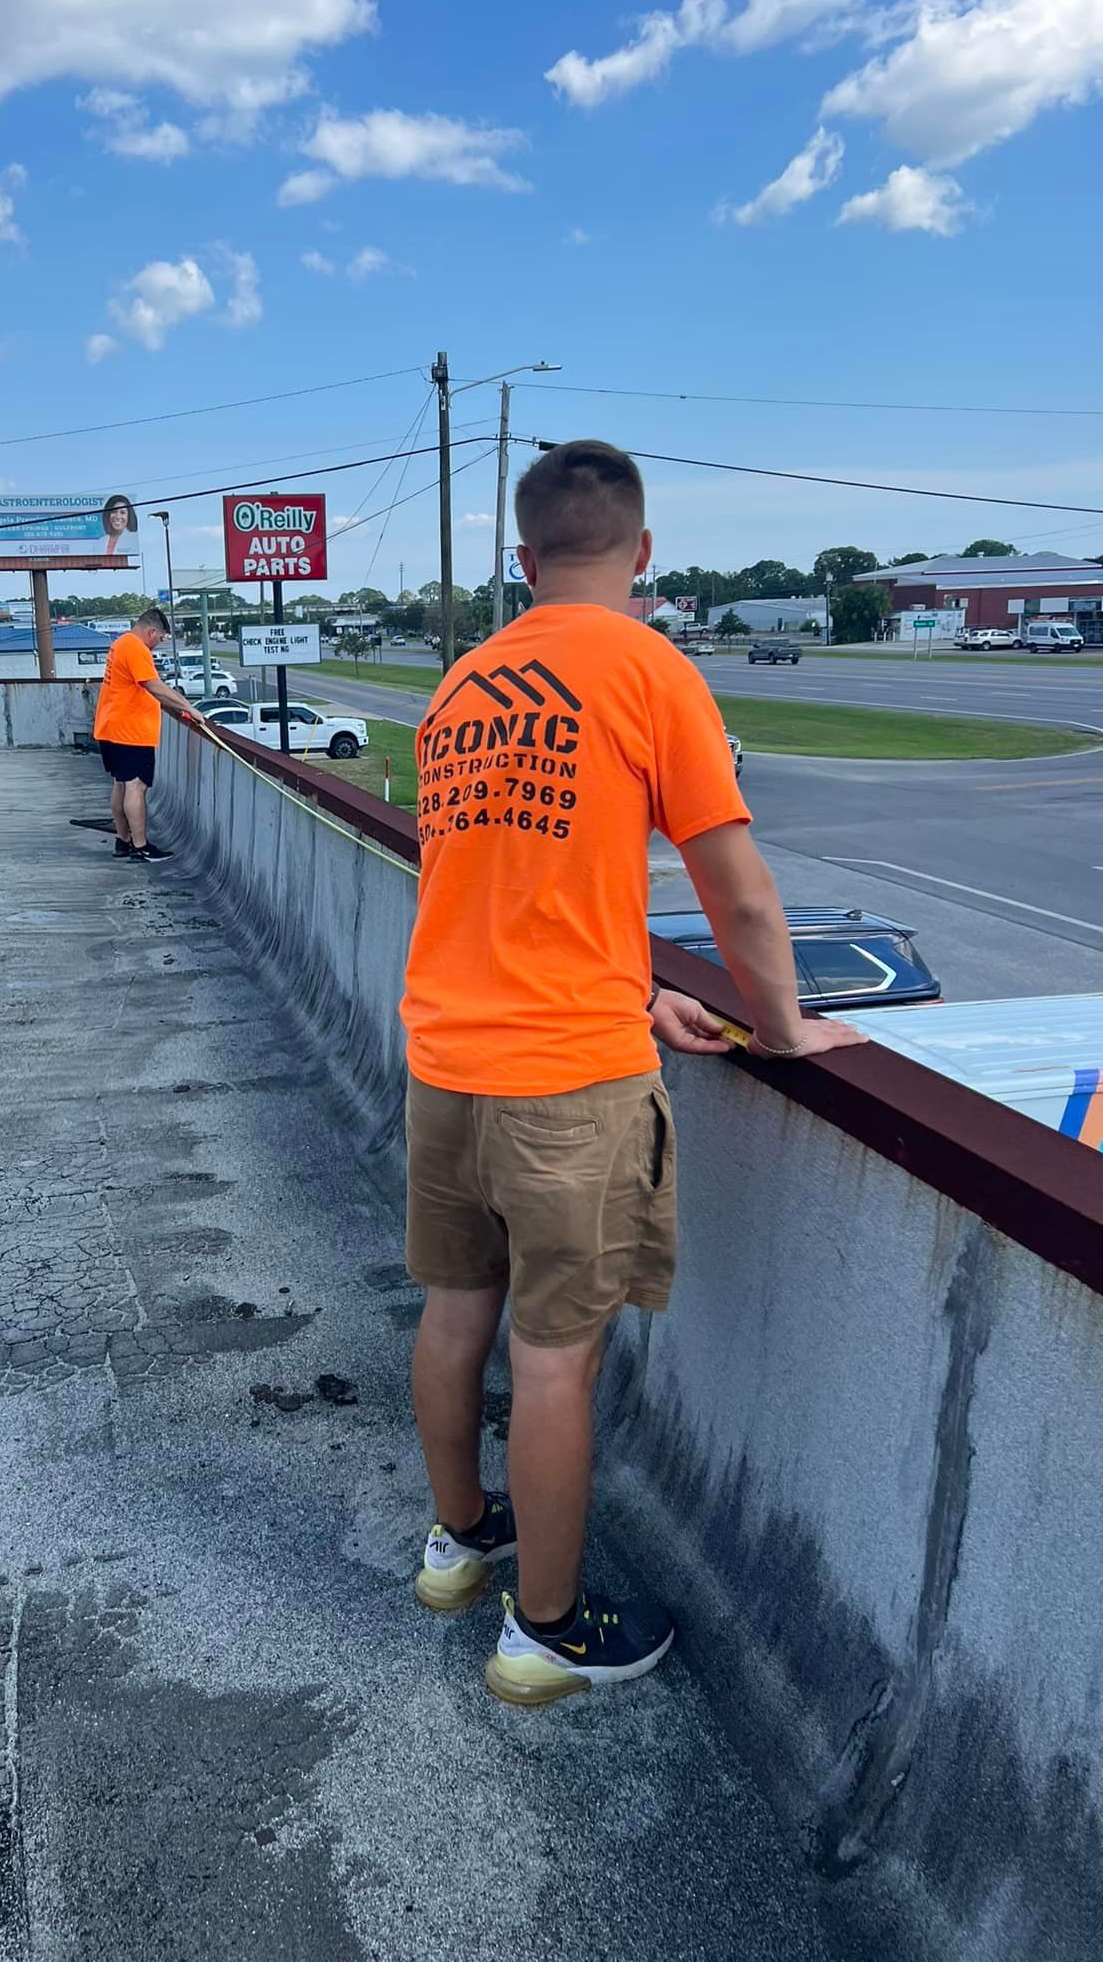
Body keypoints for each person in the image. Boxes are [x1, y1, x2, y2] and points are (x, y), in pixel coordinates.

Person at [400, 440, 864, 1708]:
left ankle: (459, 1540)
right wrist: (792, 1024)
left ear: (522, 557)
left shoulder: (464, 686)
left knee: (455, 1311)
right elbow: (737, 889)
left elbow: (497, 884)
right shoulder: (651, 666)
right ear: (644, 552)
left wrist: (637, 985)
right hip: (564, 1086)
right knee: (558, 1359)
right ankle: (544, 1629)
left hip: (448, 1059)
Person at [92, 605, 199, 862]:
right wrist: (189, 708)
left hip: (112, 727)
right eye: (161, 638)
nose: (159, 644)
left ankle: (123, 840)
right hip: (130, 731)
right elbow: (153, 685)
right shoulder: (136, 649)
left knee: (121, 784)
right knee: (135, 787)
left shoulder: (121, 644)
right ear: (152, 631)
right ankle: (141, 847)